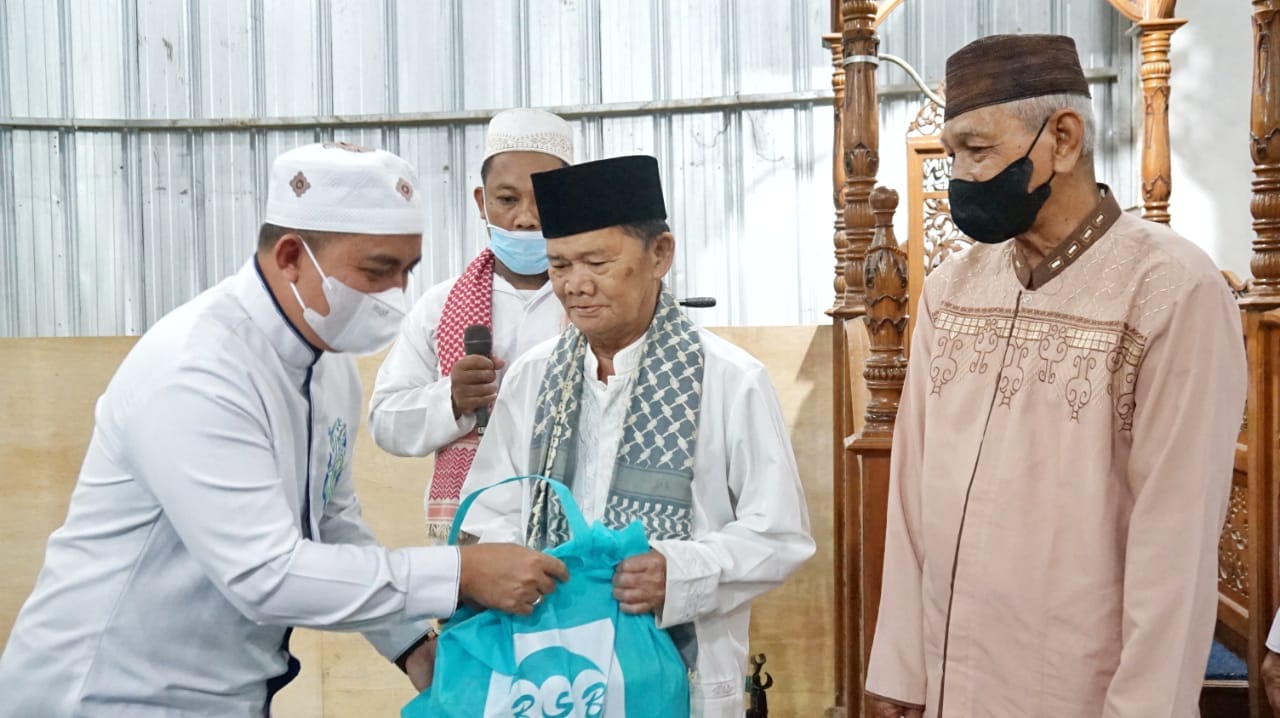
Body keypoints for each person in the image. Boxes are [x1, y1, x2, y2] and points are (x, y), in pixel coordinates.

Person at [0, 143, 567, 717]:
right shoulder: (199, 370)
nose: (397, 295)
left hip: (223, 695)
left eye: (406, 271)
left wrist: (414, 646)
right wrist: (462, 573)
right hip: (106, 694)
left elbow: (332, 524)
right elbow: (265, 575)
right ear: (292, 256)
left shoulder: (327, 366)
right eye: (377, 271)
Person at [864, 35, 1247, 718]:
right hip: (952, 682)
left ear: (1063, 139)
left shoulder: (1169, 291)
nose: (959, 176)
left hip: (1079, 690)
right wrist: (902, 669)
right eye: (952, 154)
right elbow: (913, 493)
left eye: (977, 150)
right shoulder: (950, 290)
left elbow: (1176, 542)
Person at [456, 155, 815, 717]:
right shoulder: (533, 376)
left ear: (660, 254)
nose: (575, 285)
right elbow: (490, 513)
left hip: (681, 674)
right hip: (548, 672)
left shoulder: (729, 378)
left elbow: (780, 535)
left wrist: (680, 572)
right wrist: (518, 564)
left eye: (598, 262)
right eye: (559, 265)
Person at [370, 108, 573, 541]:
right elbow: (385, 420)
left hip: (576, 527)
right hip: (475, 538)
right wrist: (452, 400)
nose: (526, 218)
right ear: (482, 202)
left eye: (543, 199)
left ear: (570, 198)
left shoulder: (597, 302)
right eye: (508, 200)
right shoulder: (439, 307)